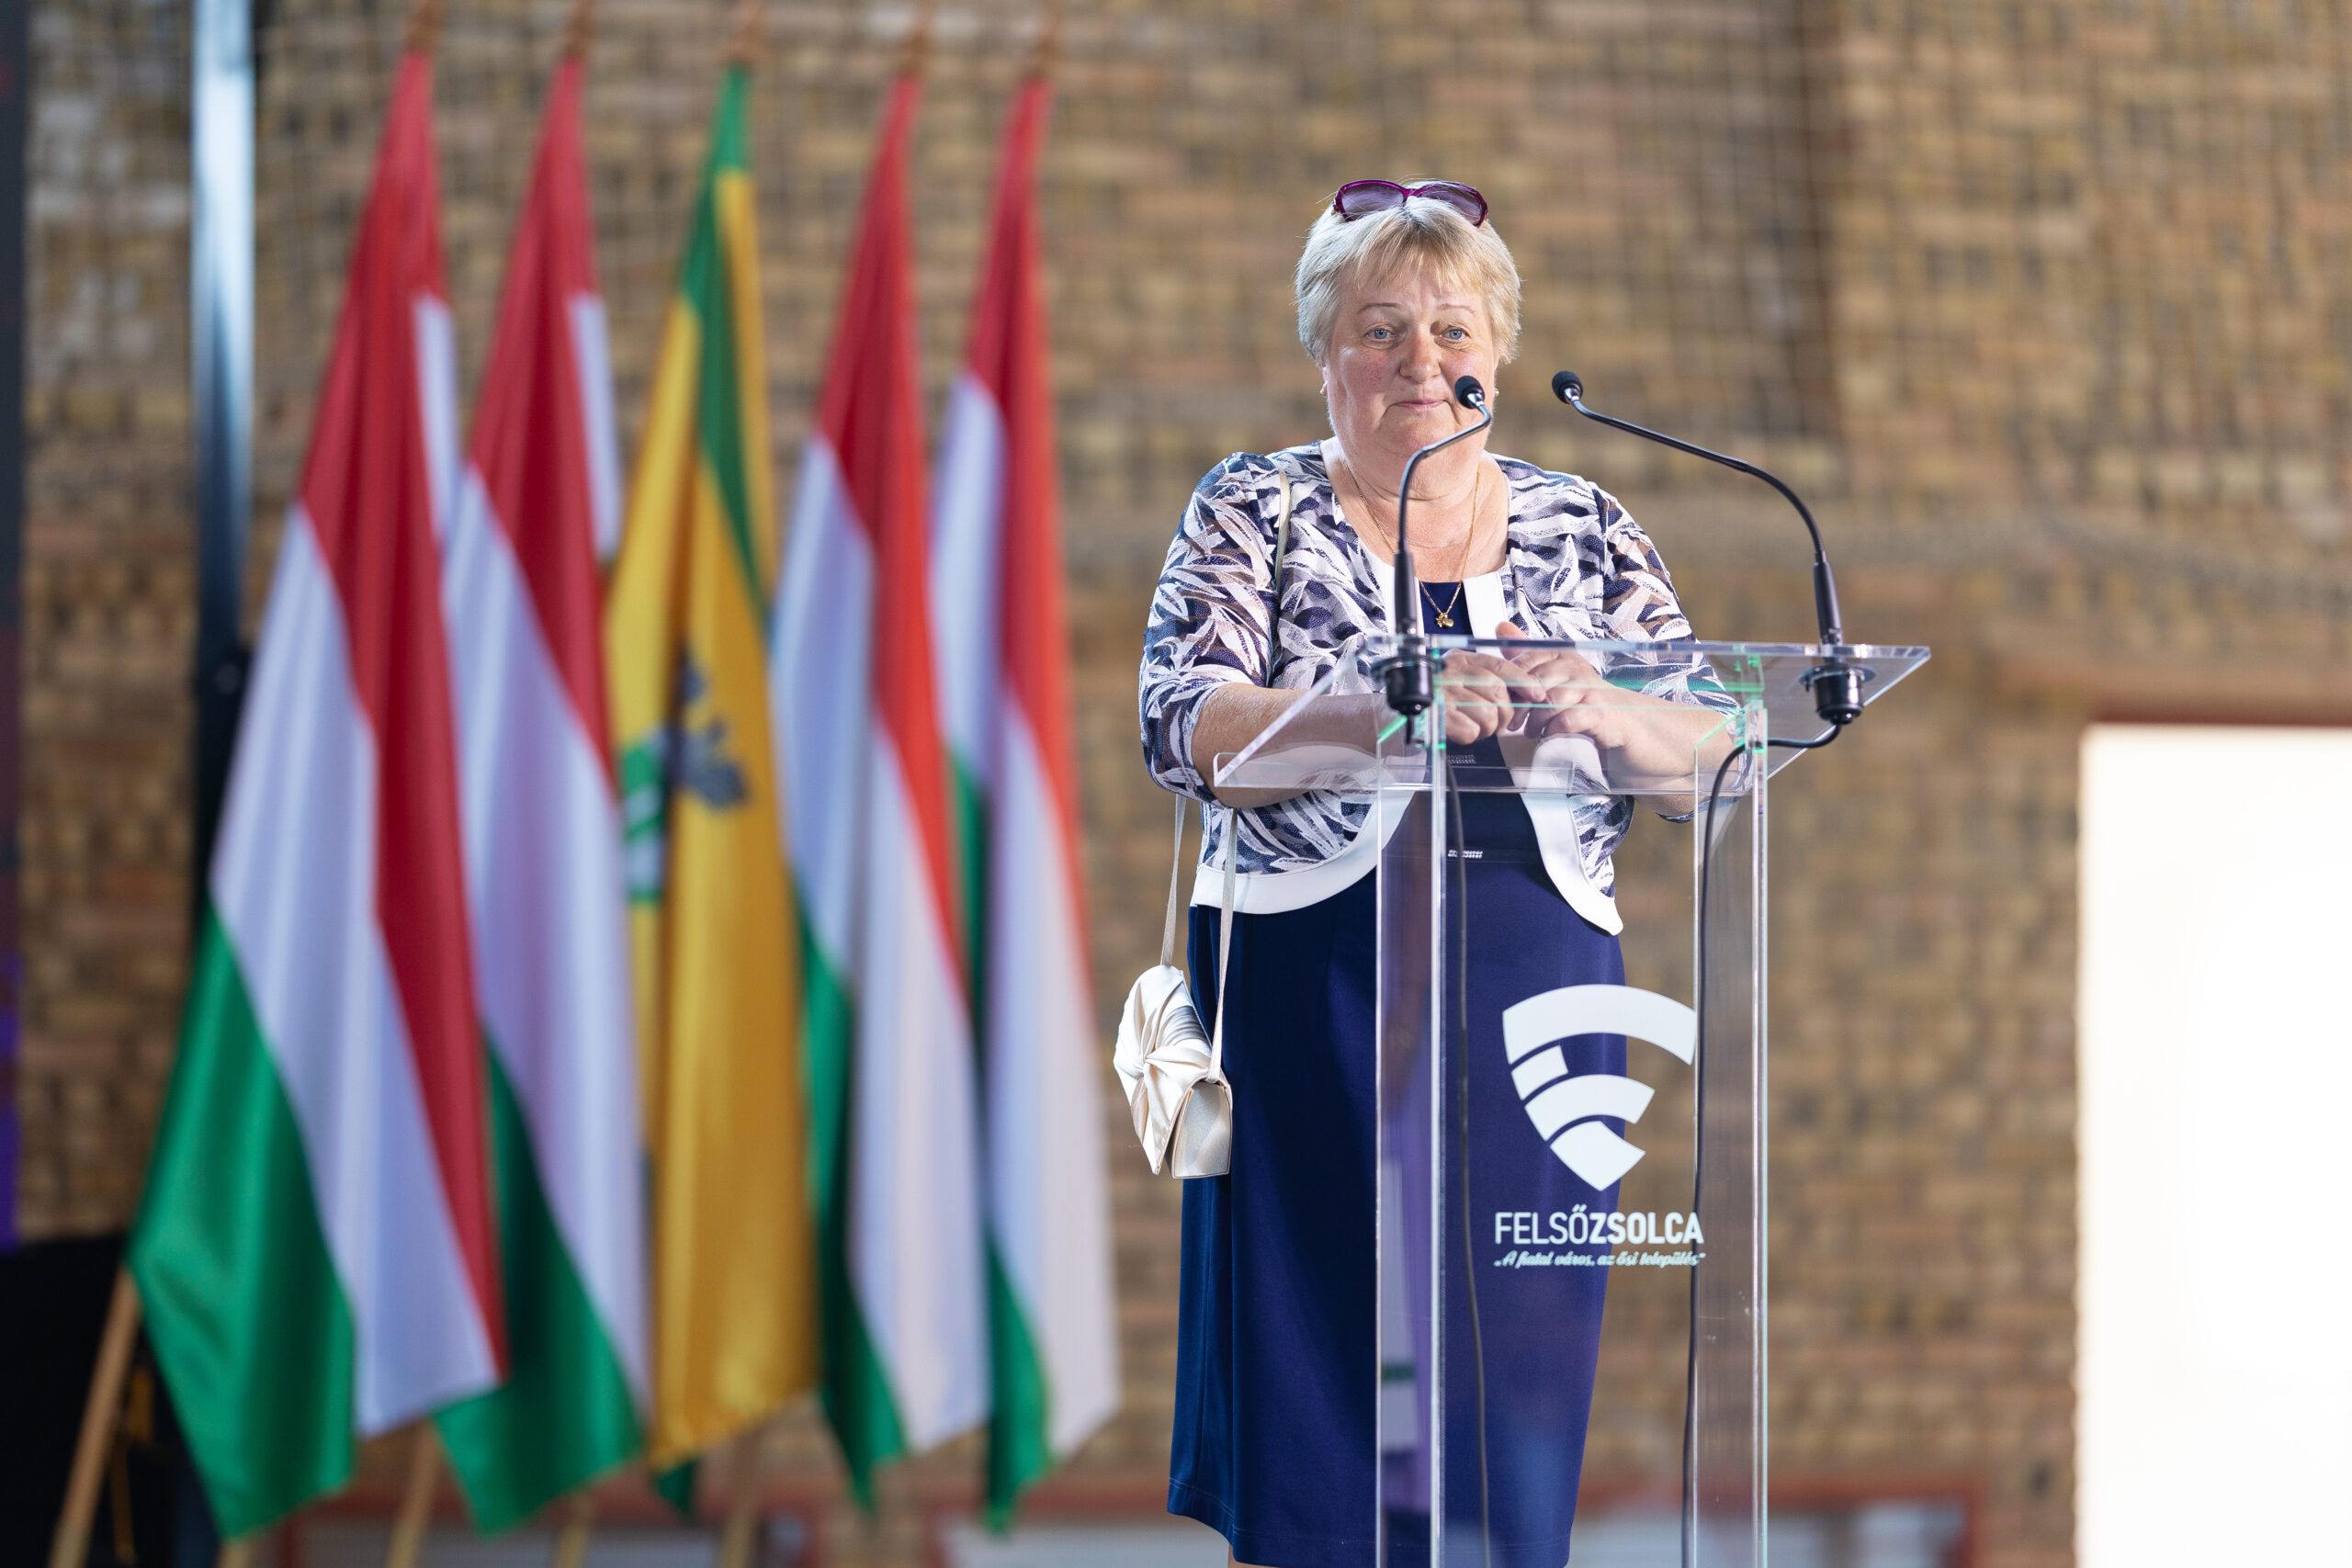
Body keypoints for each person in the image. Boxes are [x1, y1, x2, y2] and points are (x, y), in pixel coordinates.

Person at [1136, 179, 1728, 1568]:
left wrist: (1606, 708)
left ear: (1499, 355)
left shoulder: (1587, 524)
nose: (1423, 360)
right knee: (1323, 1371)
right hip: (1312, 987)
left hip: (1539, 994)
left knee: (1509, 1367)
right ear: (1325, 351)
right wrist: (1382, 712)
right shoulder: (1258, 508)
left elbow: (1719, 748)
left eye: (1453, 329)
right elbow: (1182, 722)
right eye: (1381, 328)